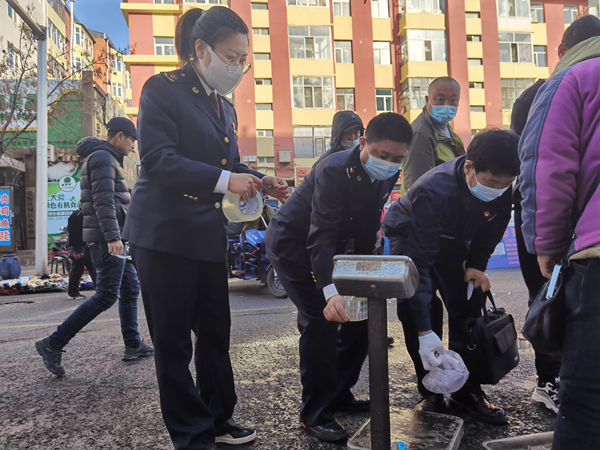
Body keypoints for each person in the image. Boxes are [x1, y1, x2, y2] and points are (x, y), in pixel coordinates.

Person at [123, 8, 289, 449]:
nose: (237, 67)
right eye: (231, 57)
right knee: (174, 342)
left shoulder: (224, 106)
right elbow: (158, 160)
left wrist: (261, 179)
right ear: (201, 49)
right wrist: (225, 180)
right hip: (164, 235)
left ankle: (218, 418)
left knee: (215, 334)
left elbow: (230, 164)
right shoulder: (163, 89)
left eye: (243, 60)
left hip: (205, 235)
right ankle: (192, 435)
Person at [265, 113, 413, 442]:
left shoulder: (389, 172)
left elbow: (367, 226)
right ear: (363, 143)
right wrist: (330, 291)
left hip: (338, 250)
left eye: (398, 158)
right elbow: (321, 234)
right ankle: (315, 413)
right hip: (294, 245)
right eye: (383, 155)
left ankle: (339, 393)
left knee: (361, 318)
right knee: (321, 320)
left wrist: (365, 274)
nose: (389, 163)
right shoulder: (333, 170)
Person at [383, 129, 520, 424]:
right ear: (469, 167)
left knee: (468, 303)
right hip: (411, 235)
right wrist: (424, 332)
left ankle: (465, 390)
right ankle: (430, 389)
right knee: (417, 306)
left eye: (505, 184)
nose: (498, 190)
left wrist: (476, 265)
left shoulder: (501, 186)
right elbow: (420, 263)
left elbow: (492, 229)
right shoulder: (434, 190)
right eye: (492, 183)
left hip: (455, 239)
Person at [511, 15, 600, 414]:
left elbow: (544, 166)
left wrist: (545, 244)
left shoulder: (562, 83)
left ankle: (551, 379)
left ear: (563, 49)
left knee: (549, 299)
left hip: (585, 243)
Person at [35, 117, 154, 378]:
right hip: (106, 239)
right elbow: (103, 201)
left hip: (113, 237)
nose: (133, 147)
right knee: (107, 295)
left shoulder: (106, 157)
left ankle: (133, 344)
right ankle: (53, 343)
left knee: (130, 288)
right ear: (120, 136)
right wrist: (112, 237)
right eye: (132, 140)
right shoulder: (102, 157)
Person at [400, 76, 464, 194]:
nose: (446, 105)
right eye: (440, 99)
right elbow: (418, 187)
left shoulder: (447, 129)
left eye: (453, 100)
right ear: (427, 99)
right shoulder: (420, 134)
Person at [66, 204, 97, 300]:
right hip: (79, 247)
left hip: (89, 246)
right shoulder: (76, 215)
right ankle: (73, 293)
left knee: (94, 269)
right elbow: (74, 234)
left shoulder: (88, 215)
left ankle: (101, 291)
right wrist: (77, 250)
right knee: (77, 270)